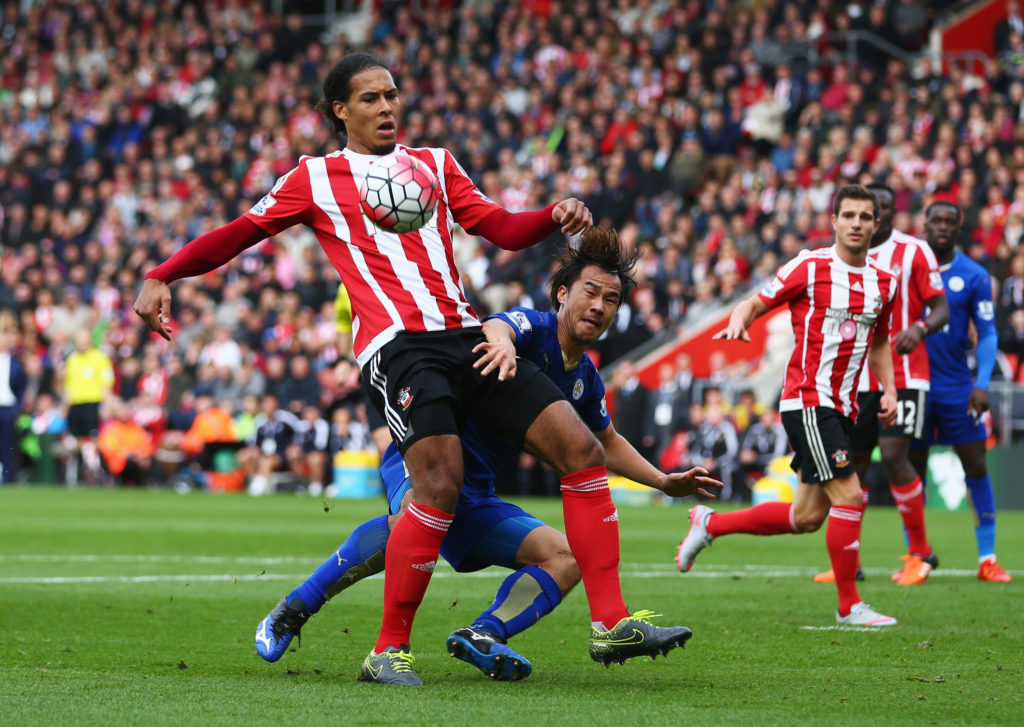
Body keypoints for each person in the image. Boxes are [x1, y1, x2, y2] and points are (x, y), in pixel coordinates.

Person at [135, 52, 686, 685]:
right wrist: (163, 273)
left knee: (580, 448)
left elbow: (500, 228)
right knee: (439, 486)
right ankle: (386, 650)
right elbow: (240, 232)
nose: (388, 107)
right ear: (340, 110)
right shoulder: (315, 177)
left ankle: (611, 622)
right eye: (370, 99)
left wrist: (549, 217)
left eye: (392, 95)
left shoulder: (435, 163)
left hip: (463, 334)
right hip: (397, 346)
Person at [254, 228, 718, 681]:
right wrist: (499, 344)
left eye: (611, 300)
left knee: (565, 558)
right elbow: (500, 325)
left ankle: (481, 633)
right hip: (422, 461)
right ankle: (296, 610)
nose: (598, 306)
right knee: (416, 515)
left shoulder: (586, 379)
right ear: (560, 293)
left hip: (477, 494)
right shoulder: (534, 331)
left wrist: (662, 479)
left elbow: (607, 442)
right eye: (590, 292)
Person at [677, 184, 902, 626]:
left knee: (807, 516)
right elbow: (755, 302)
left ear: (876, 225)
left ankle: (709, 524)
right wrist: (741, 319)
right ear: (834, 220)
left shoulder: (884, 283)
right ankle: (848, 606)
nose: (857, 223)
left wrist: (890, 390)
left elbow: (879, 343)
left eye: (865, 217)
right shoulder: (810, 265)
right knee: (851, 495)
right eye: (849, 215)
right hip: (808, 400)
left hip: (845, 407)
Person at [815, 183, 949, 586]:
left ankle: (921, 553)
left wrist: (920, 328)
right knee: (851, 467)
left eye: (884, 209)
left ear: (884, 214)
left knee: (893, 456)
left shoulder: (915, 251)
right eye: (871, 210)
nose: (878, 216)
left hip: (905, 375)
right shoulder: (841, 257)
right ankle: (848, 562)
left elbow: (941, 307)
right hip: (855, 380)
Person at [908, 203, 1011, 582]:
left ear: (959, 226)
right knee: (911, 471)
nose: (942, 227)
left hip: (956, 388)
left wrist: (981, 382)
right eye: (936, 220)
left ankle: (987, 557)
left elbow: (986, 333)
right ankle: (915, 556)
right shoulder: (906, 267)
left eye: (950, 221)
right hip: (914, 386)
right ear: (926, 223)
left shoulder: (974, 274)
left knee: (977, 467)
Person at [62, 329, 114, 484]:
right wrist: (65, 407)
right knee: (75, 440)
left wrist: (106, 405)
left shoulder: (100, 358)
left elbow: (107, 384)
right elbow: (67, 385)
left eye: (84, 340)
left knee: (91, 438)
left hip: (92, 403)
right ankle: (77, 473)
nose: (82, 344)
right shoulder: (72, 359)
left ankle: (96, 471)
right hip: (75, 404)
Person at [0, 329, 27, 483]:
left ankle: (7, 479)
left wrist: (17, 409)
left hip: (8, 409)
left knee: (7, 445)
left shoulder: (15, 363)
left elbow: (21, 389)